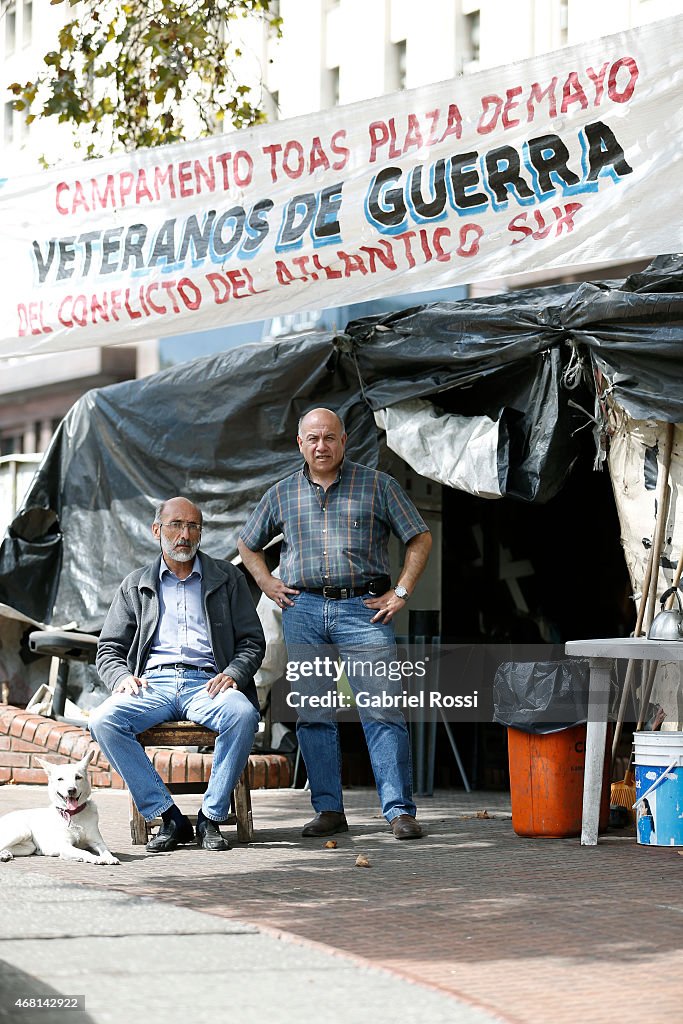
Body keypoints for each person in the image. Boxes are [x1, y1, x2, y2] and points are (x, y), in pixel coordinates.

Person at [237, 408, 432, 840]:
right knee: (313, 715)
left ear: (344, 441)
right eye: (312, 439)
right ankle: (329, 809)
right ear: (300, 444)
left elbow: (419, 536)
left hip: (364, 611)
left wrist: (400, 592)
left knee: (381, 709)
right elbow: (248, 544)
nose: (321, 446)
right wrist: (267, 582)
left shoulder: (379, 485)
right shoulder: (282, 493)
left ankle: (399, 811)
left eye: (329, 438)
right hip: (303, 611)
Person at [91, 496, 265, 853]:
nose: (184, 534)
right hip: (152, 684)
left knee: (243, 713)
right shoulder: (135, 584)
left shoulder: (227, 579)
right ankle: (168, 815)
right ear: (157, 531)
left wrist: (234, 672)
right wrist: (122, 677)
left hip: (208, 683)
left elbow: (252, 641)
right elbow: (108, 649)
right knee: (103, 720)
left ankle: (210, 817)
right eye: (175, 525)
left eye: (193, 526)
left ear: (201, 533)